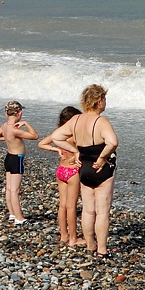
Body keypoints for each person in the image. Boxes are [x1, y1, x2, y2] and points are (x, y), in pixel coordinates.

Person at [47, 85, 118, 258]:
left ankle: (90, 245)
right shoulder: (101, 121)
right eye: (104, 99)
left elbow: (56, 137)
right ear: (98, 101)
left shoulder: (76, 120)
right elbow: (112, 142)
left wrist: (76, 151)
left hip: (84, 167)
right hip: (102, 169)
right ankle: (101, 250)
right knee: (102, 212)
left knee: (88, 210)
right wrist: (102, 158)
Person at [38, 106, 84, 247]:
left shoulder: (59, 134)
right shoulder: (74, 136)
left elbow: (41, 143)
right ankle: (73, 238)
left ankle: (64, 235)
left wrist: (56, 149)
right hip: (72, 172)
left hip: (61, 170)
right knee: (71, 207)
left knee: (62, 205)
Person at [0, 100, 39, 225]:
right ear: (19, 113)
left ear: (6, 114)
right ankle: (19, 218)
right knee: (15, 190)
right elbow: (35, 136)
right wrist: (26, 124)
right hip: (17, 158)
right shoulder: (15, 130)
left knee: (9, 188)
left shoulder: (5, 126)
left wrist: (7, 138)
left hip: (8, 158)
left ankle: (12, 214)